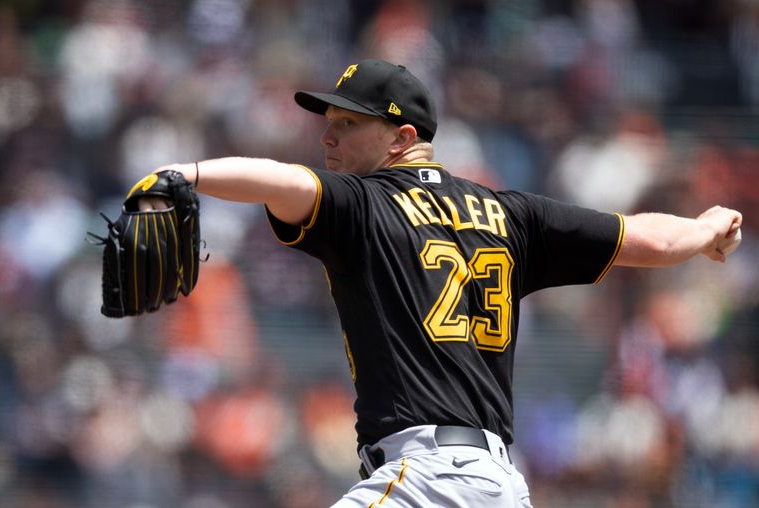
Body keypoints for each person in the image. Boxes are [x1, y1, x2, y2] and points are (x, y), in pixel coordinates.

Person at [142, 59, 742, 507]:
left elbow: (279, 180)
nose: (328, 137)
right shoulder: (513, 215)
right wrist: (707, 226)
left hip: (428, 479)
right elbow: (654, 241)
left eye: (348, 124)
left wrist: (183, 174)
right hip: (500, 486)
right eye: (329, 122)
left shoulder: (366, 201)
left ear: (403, 138)